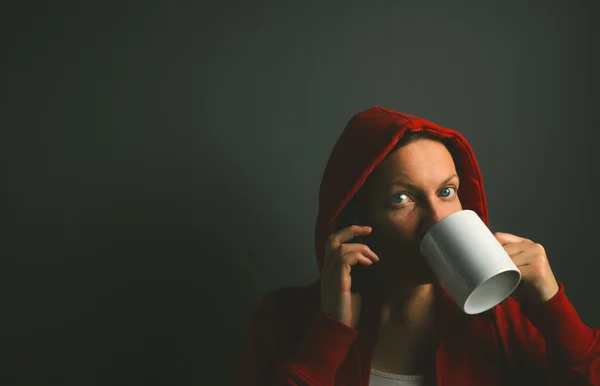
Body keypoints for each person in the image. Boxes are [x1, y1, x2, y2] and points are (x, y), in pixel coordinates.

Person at [237, 106, 600, 385]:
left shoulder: (507, 322)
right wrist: (330, 332)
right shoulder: (283, 321)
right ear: (357, 222)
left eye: (447, 192)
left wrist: (553, 307)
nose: (438, 218)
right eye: (402, 198)